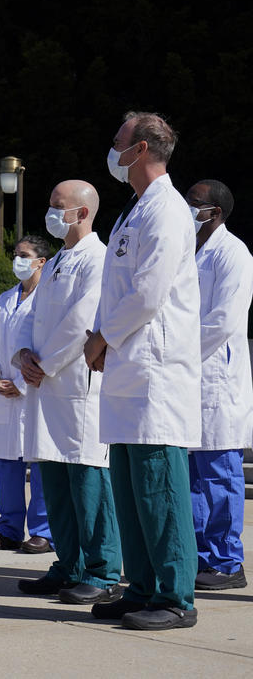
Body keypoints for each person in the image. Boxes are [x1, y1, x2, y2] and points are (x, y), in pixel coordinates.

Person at [84, 111, 201, 630]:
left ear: (143, 149)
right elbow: (116, 289)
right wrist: (101, 336)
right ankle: (143, 586)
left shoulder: (168, 210)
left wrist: (104, 337)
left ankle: (176, 597)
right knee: (131, 487)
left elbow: (148, 293)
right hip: (128, 366)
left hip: (154, 369)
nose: (113, 150)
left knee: (160, 486)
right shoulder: (134, 210)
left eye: (119, 142)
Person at [17, 181, 123, 605]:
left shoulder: (99, 259)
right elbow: (35, 316)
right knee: (56, 481)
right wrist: (24, 351)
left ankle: (102, 571)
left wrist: (44, 363)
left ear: (82, 212)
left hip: (76, 384)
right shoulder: (60, 259)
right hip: (48, 386)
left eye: (57, 207)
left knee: (88, 481)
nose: (51, 213)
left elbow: (83, 319)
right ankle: (68, 564)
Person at [185, 179, 253, 590]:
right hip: (186, 381)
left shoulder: (233, 253)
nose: (188, 209)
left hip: (214, 379)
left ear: (216, 212)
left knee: (218, 475)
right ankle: (196, 557)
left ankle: (227, 562)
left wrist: (178, 353)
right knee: (192, 477)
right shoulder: (186, 252)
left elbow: (223, 320)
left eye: (195, 203)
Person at [0, 236, 52, 554]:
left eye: (24, 255)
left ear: (42, 262)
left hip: (35, 391)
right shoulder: (4, 300)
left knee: (39, 465)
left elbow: (49, 346)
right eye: (15, 254)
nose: (18, 260)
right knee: (7, 464)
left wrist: (22, 383)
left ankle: (43, 531)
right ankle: (8, 529)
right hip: (4, 393)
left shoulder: (48, 299)